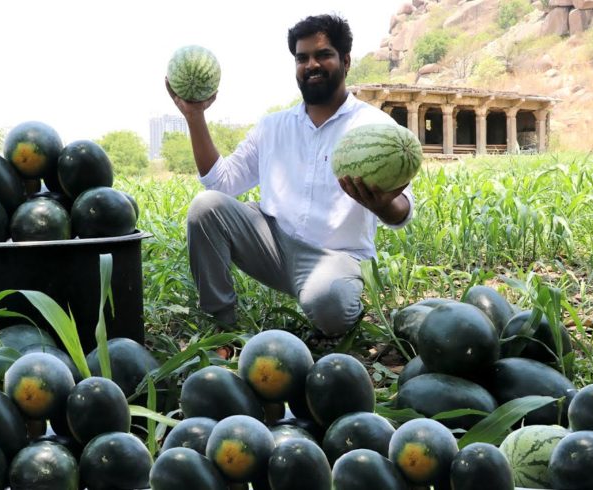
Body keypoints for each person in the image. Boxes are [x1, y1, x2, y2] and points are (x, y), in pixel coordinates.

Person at [166, 14, 415, 338]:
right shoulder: (273, 126)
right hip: (271, 244)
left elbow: (403, 210)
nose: (311, 64)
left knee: (331, 308)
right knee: (206, 206)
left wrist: (383, 205)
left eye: (323, 55)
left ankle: (332, 300)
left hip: (334, 258)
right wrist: (195, 116)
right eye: (302, 58)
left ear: (346, 61)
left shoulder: (376, 126)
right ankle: (221, 326)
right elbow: (221, 184)